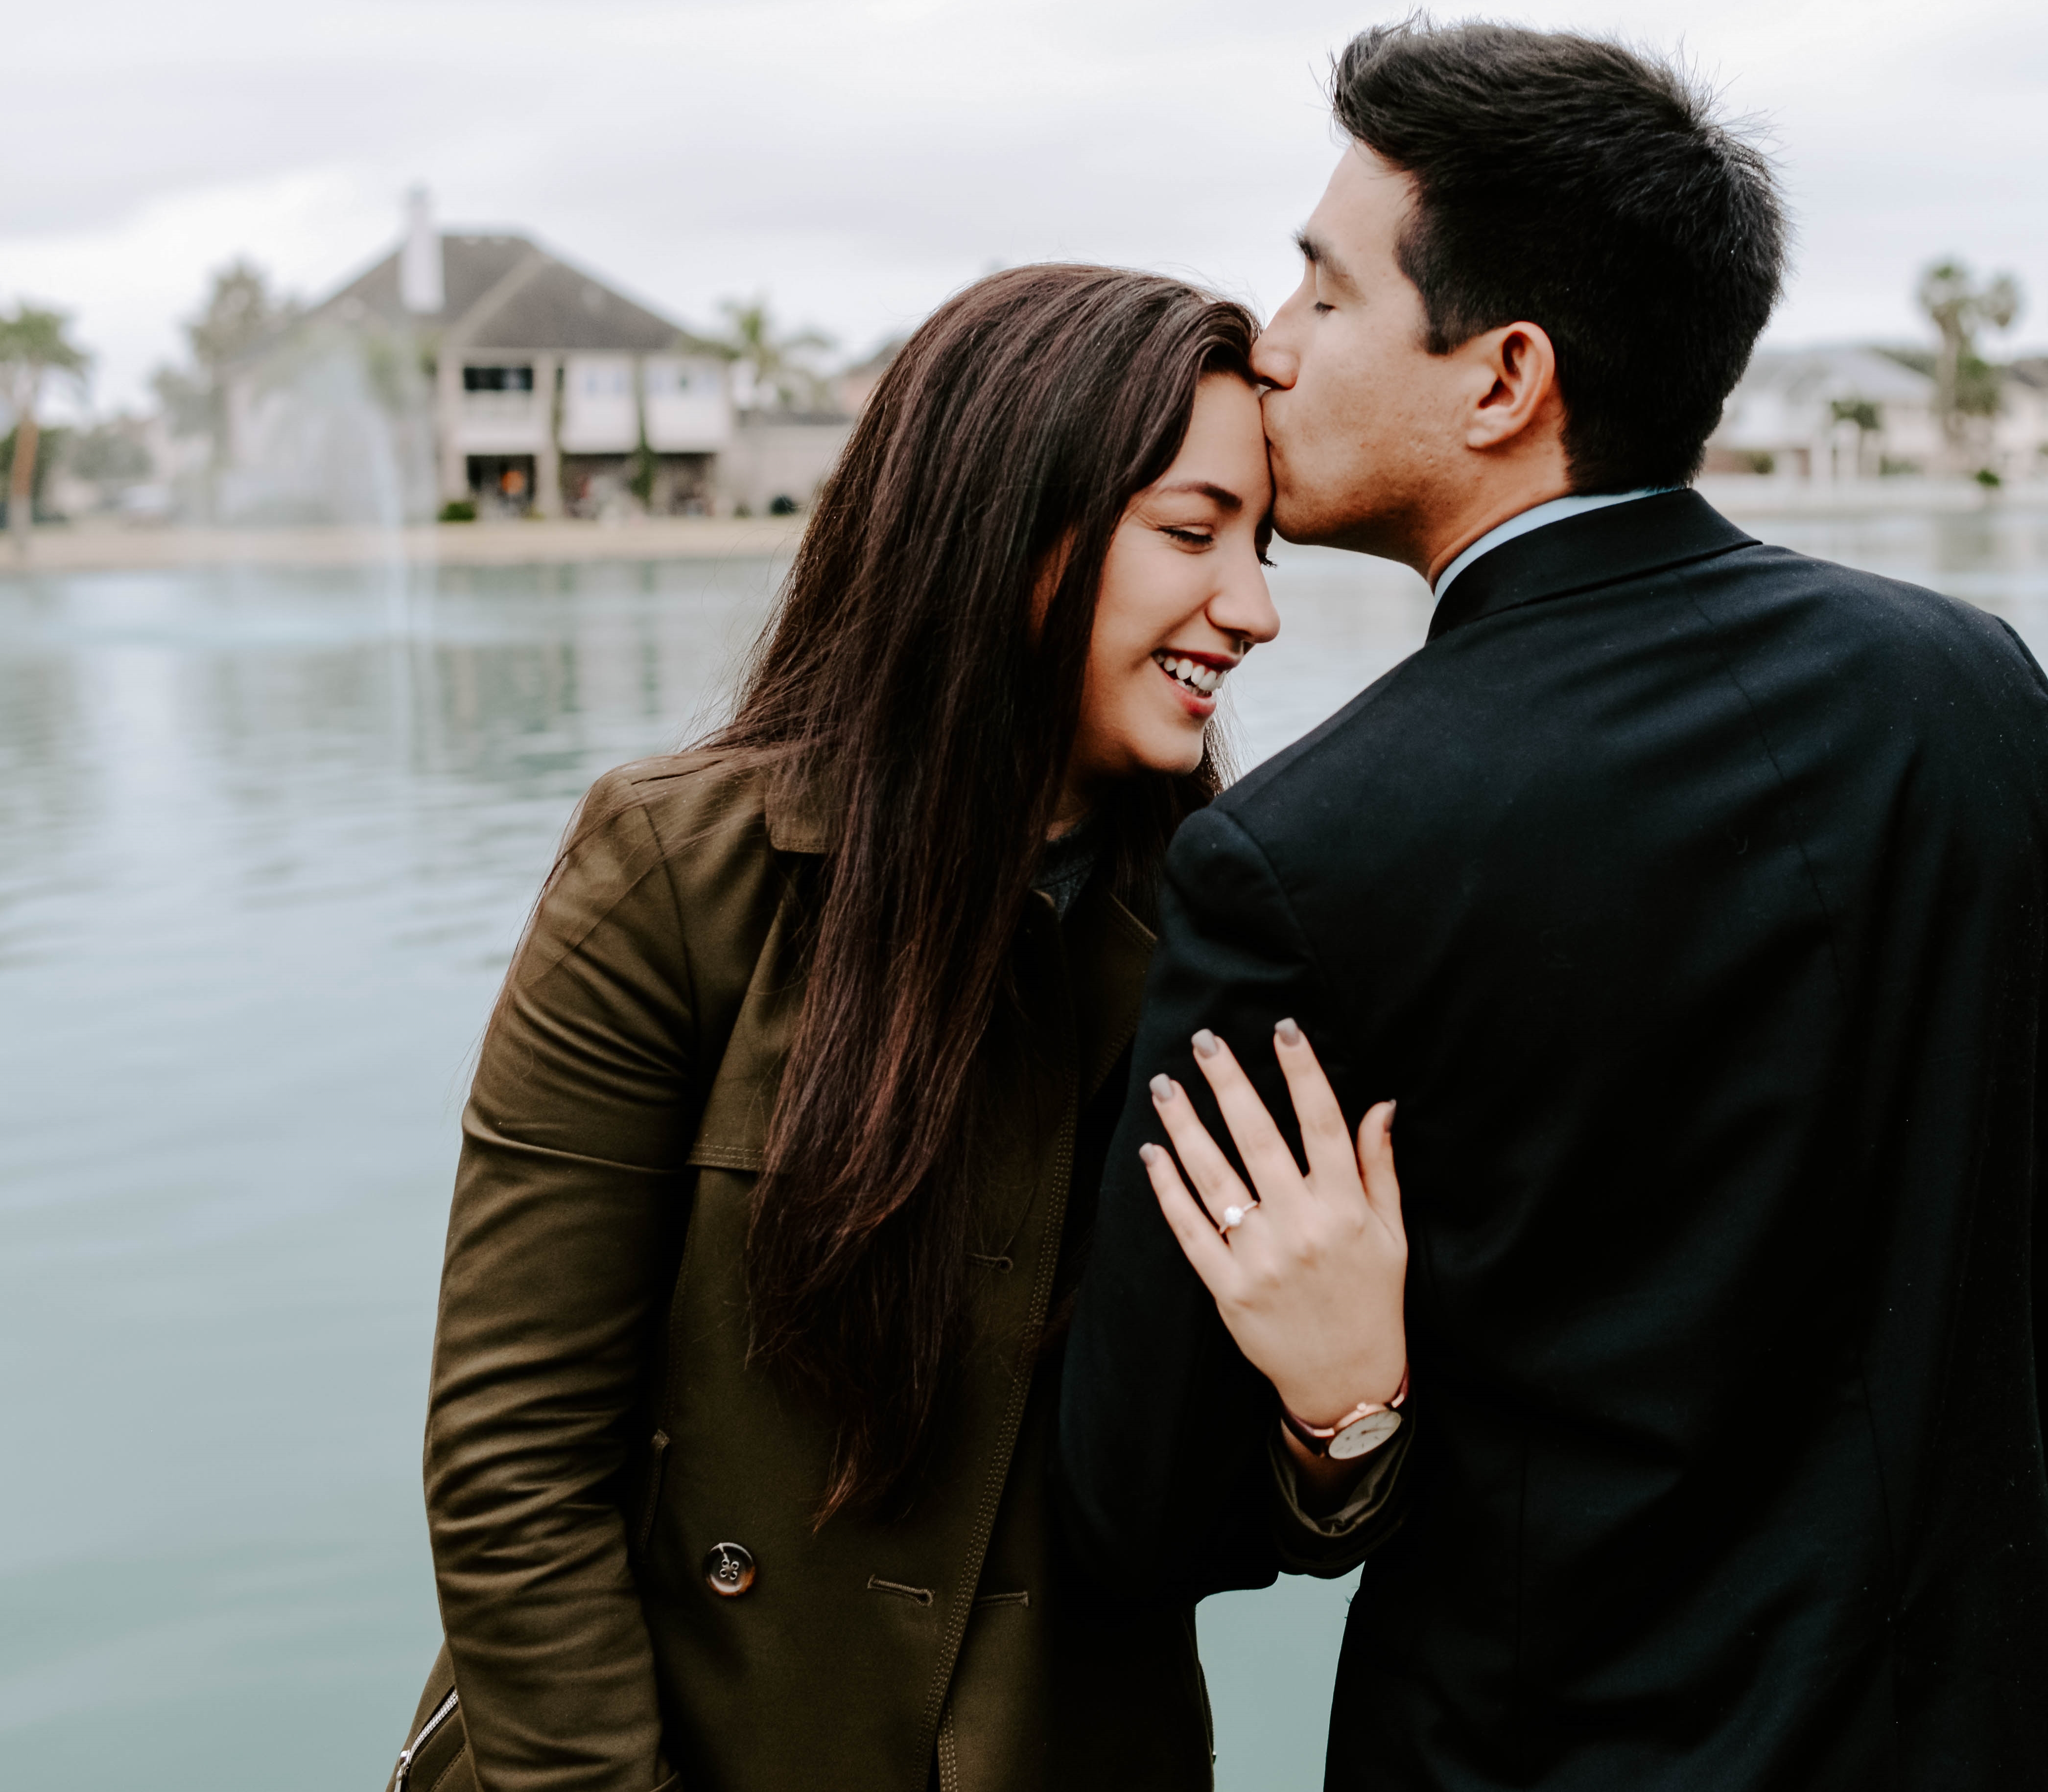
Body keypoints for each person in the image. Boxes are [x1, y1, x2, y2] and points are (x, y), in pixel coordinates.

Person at [1061, 20, 2048, 1788]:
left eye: (1325, 296)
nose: (1273, 345)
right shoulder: (1972, 695)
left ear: (1502, 379)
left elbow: (1138, 1503)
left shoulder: (1310, 855)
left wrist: (1351, 1396)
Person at [399, 264, 1412, 1792]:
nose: (1255, 610)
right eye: (1192, 533)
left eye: (1260, 547)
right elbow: (512, 1465)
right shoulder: (677, 874)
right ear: (1006, 525)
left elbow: (1245, 1528)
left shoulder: (1237, 944)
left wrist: (1344, 1406)